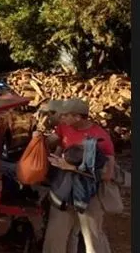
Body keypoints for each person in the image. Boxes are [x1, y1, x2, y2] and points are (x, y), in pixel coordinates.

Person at [38, 98, 114, 253]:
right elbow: (51, 142)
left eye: (65, 115)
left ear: (78, 117)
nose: (61, 117)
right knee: (56, 235)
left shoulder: (100, 138)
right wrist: (38, 138)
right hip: (64, 190)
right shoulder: (64, 127)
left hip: (89, 193)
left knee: (92, 237)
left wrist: (71, 167)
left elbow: (107, 174)